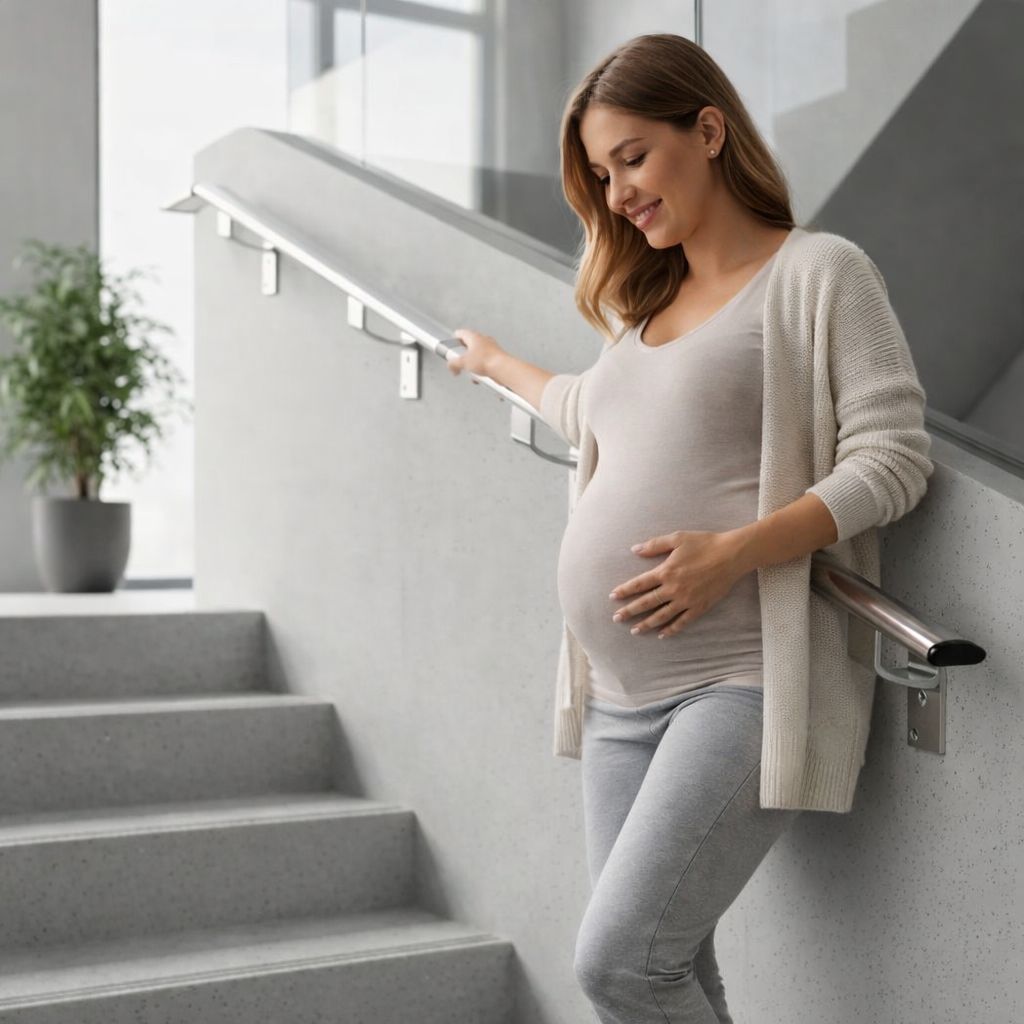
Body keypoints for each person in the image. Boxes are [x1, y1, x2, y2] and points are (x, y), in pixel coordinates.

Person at [446, 33, 933, 1024]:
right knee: (672, 966)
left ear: (706, 130)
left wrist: (732, 554)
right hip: (621, 700)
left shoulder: (819, 274)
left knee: (619, 963)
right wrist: (495, 363)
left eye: (631, 157)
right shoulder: (645, 309)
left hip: (740, 676)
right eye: (599, 174)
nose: (617, 191)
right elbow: (590, 409)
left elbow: (892, 459)